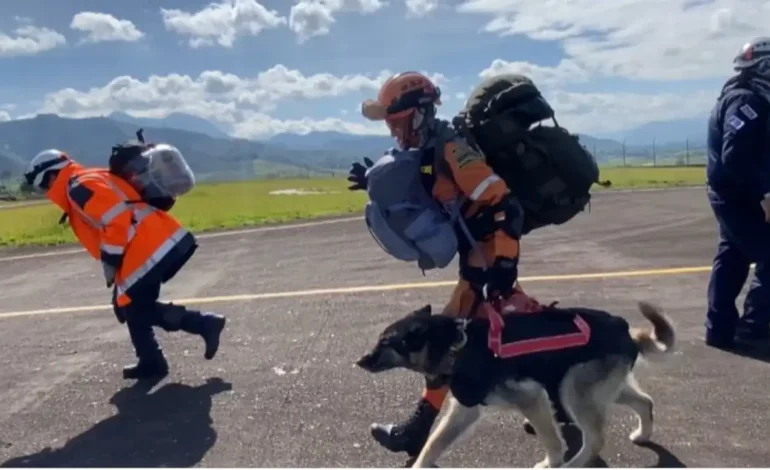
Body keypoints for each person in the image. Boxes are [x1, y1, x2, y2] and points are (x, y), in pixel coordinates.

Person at [348, 71, 531, 458]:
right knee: (509, 327)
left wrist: (503, 266)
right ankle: (559, 407)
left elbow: (504, 204)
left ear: (419, 113)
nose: (394, 131)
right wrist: (372, 181)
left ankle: (417, 431)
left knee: (453, 338)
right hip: (477, 254)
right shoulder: (428, 145)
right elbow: (427, 193)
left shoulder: (452, 147)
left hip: (488, 253)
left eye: (397, 121)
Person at [23, 147, 227, 380]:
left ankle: (203, 324)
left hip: (147, 247)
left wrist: (110, 260)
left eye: (42, 186)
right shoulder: (89, 178)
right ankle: (152, 360)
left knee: (137, 308)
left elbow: (116, 219)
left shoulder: (78, 187)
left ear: (50, 175)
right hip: (154, 241)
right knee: (129, 307)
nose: (44, 192)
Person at [705, 37, 770, 349]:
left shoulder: (747, 97)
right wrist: (766, 192)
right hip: (738, 197)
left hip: (734, 194)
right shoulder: (748, 101)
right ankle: (755, 326)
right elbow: (736, 157)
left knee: (732, 257)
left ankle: (719, 330)